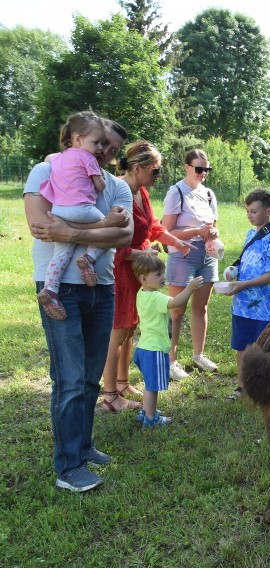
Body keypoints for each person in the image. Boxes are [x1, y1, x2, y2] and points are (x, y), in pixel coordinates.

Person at [24, 115, 133, 491]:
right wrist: (102, 228)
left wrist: (69, 231)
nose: (105, 152)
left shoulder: (117, 186)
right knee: (69, 380)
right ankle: (68, 467)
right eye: (102, 144)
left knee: (88, 379)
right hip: (59, 289)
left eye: (113, 150)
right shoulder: (46, 168)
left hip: (101, 290)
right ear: (83, 138)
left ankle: (83, 447)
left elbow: (126, 236)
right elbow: (40, 225)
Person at [101, 141, 193, 412]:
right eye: (155, 171)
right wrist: (142, 253)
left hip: (137, 273)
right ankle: (110, 397)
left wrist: (175, 241)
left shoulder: (141, 191)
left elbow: (152, 226)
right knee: (116, 335)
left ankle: (123, 383)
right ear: (137, 167)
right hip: (120, 272)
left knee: (130, 330)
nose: (158, 176)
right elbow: (113, 245)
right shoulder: (118, 192)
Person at [36, 112, 109, 320]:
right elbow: (100, 185)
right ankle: (89, 257)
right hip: (83, 209)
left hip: (58, 211)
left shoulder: (58, 157)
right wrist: (100, 176)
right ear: (78, 139)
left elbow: (48, 159)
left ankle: (50, 289)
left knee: (61, 255)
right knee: (108, 232)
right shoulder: (88, 157)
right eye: (96, 143)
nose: (100, 149)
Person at [160, 148, 219, 379]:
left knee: (201, 307)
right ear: (186, 167)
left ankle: (198, 355)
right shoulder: (176, 192)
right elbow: (166, 232)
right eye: (199, 168)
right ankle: (171, 361)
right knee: (176, 310)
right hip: (182, 255)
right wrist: (197, 231)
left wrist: (212, 234)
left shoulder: (208, 194)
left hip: (207, 255)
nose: (203, 173)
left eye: (207, 169)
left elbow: (213, 225)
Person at [222, 188, 270, 400]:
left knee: (260, 349)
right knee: (241, 346)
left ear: (268, 211)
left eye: (254, 211)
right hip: (241, 303)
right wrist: (234, 273)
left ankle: (262, 388)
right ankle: (241, 387)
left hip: (262, 306)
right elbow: (247, 263)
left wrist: (244, 284)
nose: (250, 215)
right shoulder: (251, 234)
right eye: (248, 211)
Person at [132, 255, 203, 427]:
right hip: (154, 350)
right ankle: (150, 419)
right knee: (152, 387)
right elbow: (176, 302)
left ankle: (146, 411)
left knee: (149, 383)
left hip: (143, 348)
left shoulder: (141, 293)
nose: (163, 277)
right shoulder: (156, 298)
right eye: (158, 274)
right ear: (144, 279)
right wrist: (191, 288)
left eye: (163, 272)